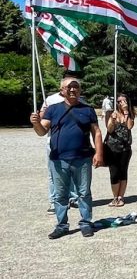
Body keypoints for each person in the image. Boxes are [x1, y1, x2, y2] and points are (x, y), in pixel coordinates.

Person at [30, 78, 104, 239]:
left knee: (84, 193)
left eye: (76, 87)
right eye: (69, 87)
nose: (72, 90)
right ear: (61, 90)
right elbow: (42, 131)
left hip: (82, 158)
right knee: (60, 194)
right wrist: (35, 123)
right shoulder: (53, 109)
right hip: (58, 158)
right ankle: (62, 225)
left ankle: (86, 223)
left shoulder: (87, 109)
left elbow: (96, 132)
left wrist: (99, 153)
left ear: (80, 90)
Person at [39, 78, 79, 214]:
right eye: (68, 86)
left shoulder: (78, 99)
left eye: (74, 85)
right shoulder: (50, 99)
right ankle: (53, 200)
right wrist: (40, 116)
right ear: (62, 87)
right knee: (54, 174)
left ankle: (73, 198)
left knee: (72, 171)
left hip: (73, 145)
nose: (71, 88)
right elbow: (42, 119)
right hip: (54, 142)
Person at [104, 93, 134, 207]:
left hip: (125, 148)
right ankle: (115, 197)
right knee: (114, 172)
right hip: (112, 148)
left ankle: (121, 196)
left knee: (123, 171)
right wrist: (112, 119)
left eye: (123, 101)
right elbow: (110, 130)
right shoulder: (111, 114)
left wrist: (126, 112)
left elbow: (129, 126)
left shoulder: (130, 115)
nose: (121, 103)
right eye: (119, 101)